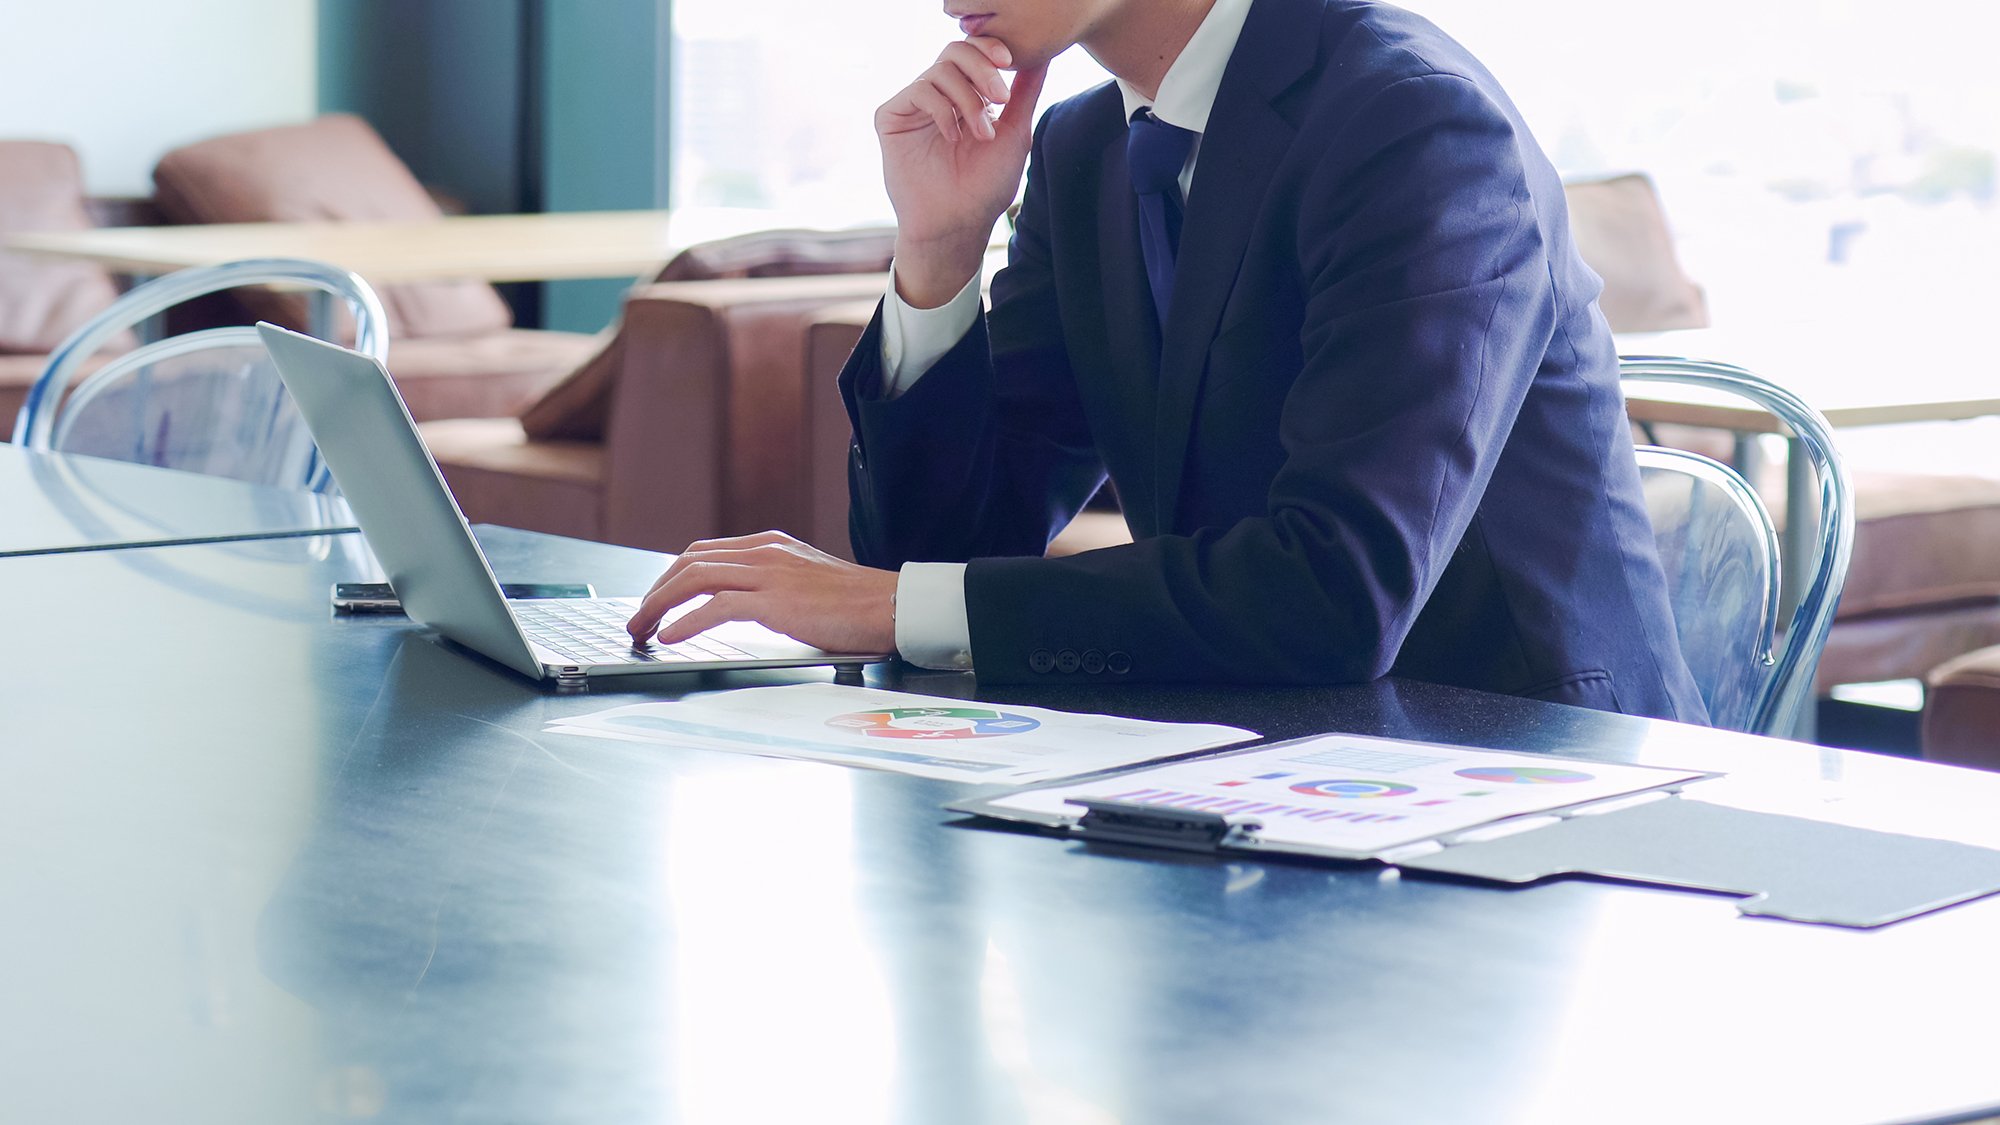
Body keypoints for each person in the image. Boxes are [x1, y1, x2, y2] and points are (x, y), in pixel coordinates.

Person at [627, 0, 1708, 722]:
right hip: (1253, 757)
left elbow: (1335, 591)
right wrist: (939, 255)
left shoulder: (1409, 120)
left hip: (1521, 777)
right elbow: (942, 552)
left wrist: (880, 607)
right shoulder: (1085, 148)